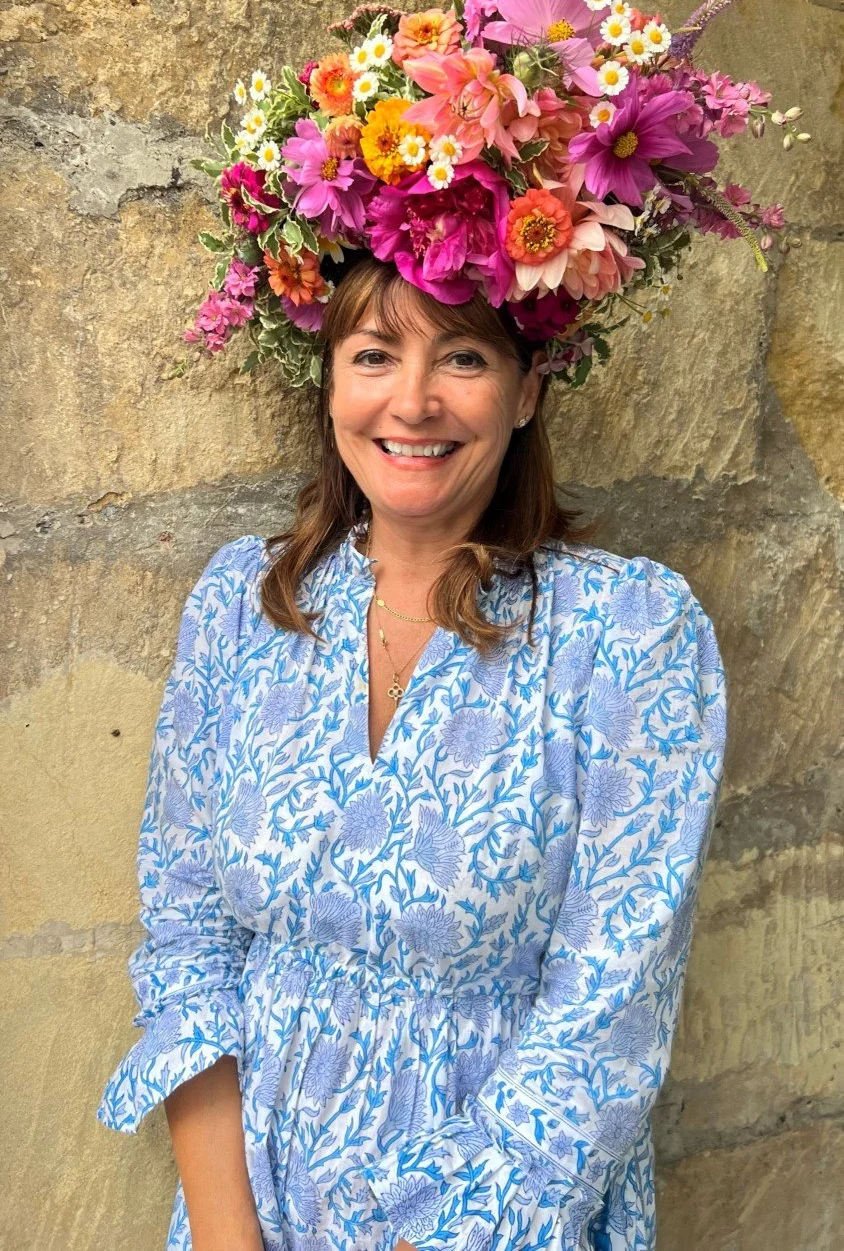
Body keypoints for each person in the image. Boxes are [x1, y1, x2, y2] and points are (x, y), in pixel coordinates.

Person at [97, 256, 728, 1251]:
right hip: (255, 1194)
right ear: (333, 383)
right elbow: (189, 939)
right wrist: (227, 1233)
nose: (413, 400)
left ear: (527, 389)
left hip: (500, 1212)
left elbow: (606, 1014)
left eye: (464, 355)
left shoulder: (625, 633)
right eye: (374, 354)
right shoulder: (241, 607)